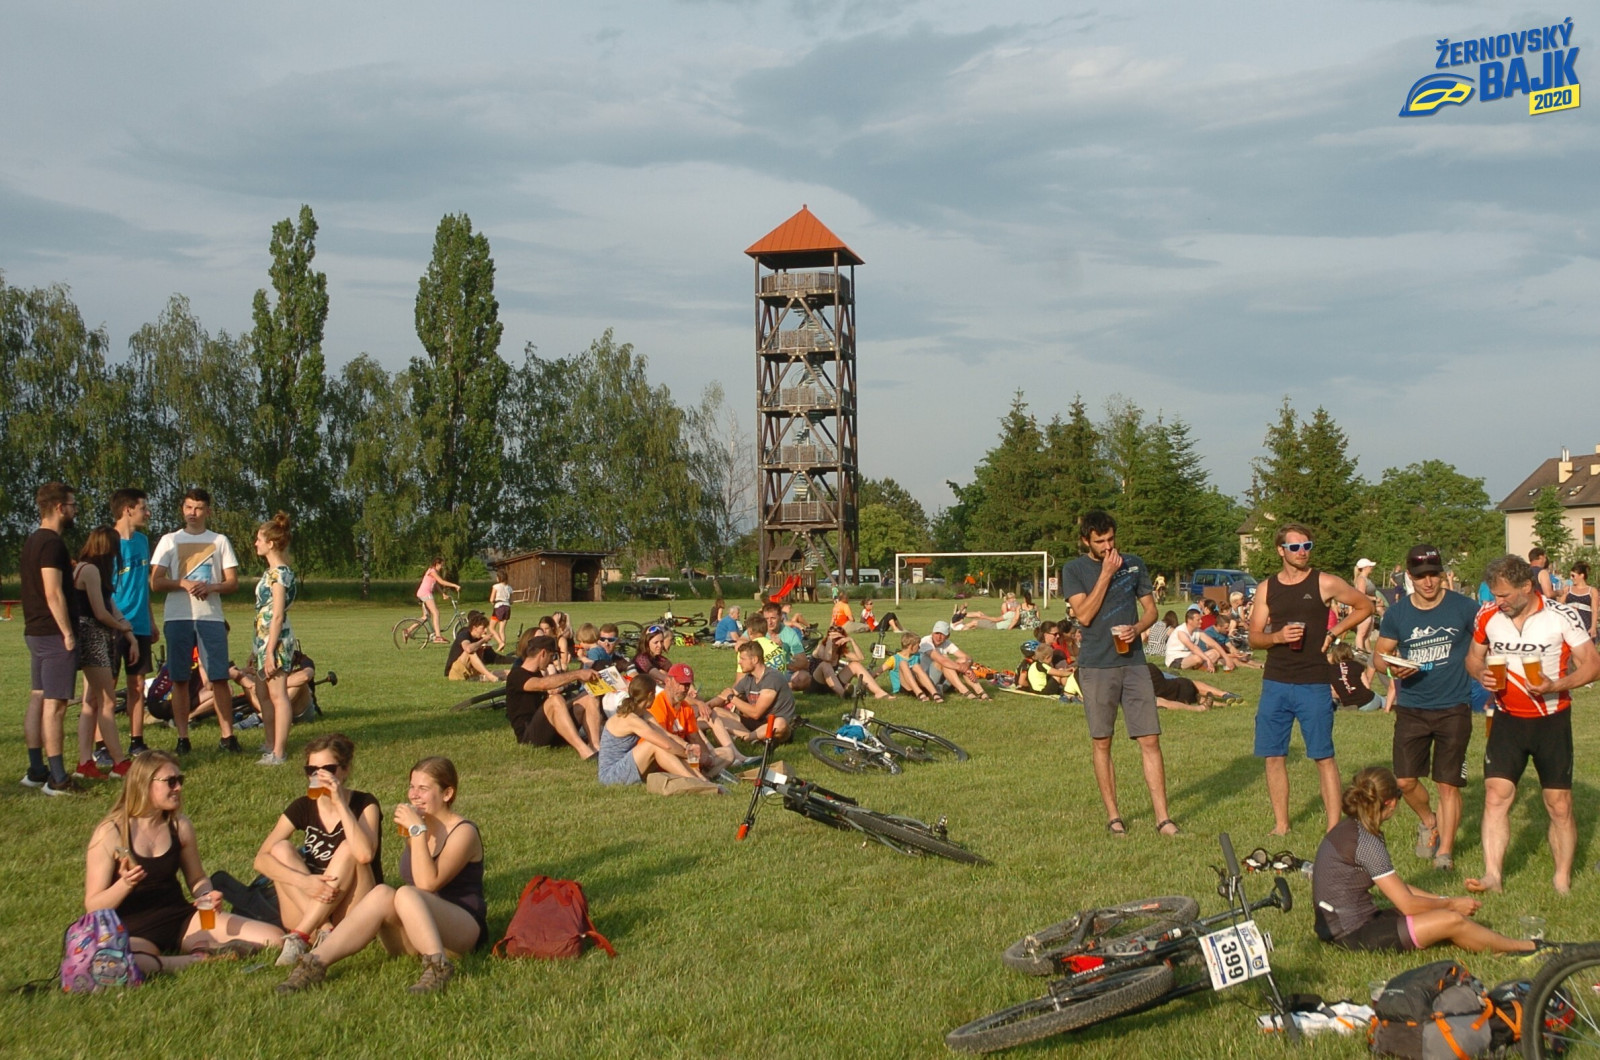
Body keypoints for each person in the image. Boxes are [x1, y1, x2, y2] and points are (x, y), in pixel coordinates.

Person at [279, 756, 485, 994]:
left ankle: (438, 966)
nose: (414, 795)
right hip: (417, 932)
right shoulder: (418, 827)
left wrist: (417, 831)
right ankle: (314, 963)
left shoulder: (463, 832)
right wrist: (417, 831)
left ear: (447, 794)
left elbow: (427, 883)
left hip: (460, 931)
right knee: (382, 893)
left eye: (423, 788)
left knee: (406, 893)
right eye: (412, 786)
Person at [1464, 554, 1600, 896]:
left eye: (1505, 595)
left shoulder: (1561, 616)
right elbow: (1473, 658)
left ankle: (1561, 879)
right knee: (1496, 795)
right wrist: (1480, 674)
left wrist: (1556, 684)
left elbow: (1592, 665)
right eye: (1495, 595)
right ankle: (1493, 875)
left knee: (1559, 804)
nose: (1499, 601)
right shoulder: (1488, 615)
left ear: (1527, 586)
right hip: (1507, 718)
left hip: (1551, 720)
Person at [85, 751, 282, 975]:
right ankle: (200, 958)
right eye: (171, 781)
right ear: (144, 783)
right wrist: (125, 884)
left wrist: (205, 895)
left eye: (180, 780)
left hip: (180, 919)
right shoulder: (111, 832)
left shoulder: (179, 826)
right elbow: (93, 907)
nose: (178, 787)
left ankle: (190, 952)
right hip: (132, 929)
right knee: (120, 962)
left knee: (273, 938)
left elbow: (197, 878)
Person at [1312, 767, 1542, 956]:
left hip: (1341, 927)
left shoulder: (1350, 828)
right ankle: (1526, 947)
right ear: (1391, 803)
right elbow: (1407, 904)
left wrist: (1442, 900)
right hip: (1353, 935)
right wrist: (1452, 905)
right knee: (1452, 920)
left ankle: (1494, 944)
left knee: (1443, 916)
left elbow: (1397, 888)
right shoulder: (1367, 841)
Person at [1246, 522, 1374, 836]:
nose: (1302, 552)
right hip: (1276, 681)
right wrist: (1277, 637)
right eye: (1295, 547)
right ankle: (1281, 825)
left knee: (1323, 756)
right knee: (1274, 756)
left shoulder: (1324, 582)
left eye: (1307, 546)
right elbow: (1254, 637)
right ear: (1281, 551)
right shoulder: (1267, 588)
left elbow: (1365, 605)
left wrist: (1334, 632)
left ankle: (1333, 828)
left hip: (1314, 681)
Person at [1060, 509, 1178, 838]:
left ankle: (1163, 819)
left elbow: (1151, 610)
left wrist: (1137, 628)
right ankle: (1114, 817)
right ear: (1086, 541)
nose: (1108, 546)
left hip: (1134, 662)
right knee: (1102, 741)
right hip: (1097, 664)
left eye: (1111, 539)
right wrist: (1106, 574)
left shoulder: (1134, 563)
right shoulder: (1074, 570)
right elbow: (1084, 615)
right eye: (1100, 541)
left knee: (1150, 739)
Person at [1371, 543, 1481, 872]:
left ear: (1443, 574)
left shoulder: (1465, 608)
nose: (1428, 582)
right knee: (1405, 781)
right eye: (1421, 576)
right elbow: (1379, 657)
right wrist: (1393, 667)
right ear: (1409, 577)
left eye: (1434, 574)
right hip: (1412, 706)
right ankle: (1429, 821)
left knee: (1448, 783)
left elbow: (1486, 643)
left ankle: (1445, 852)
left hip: (1454, 705)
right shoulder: (1397, 613)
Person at [253, 733, 383, 966]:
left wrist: (340, 803)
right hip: (309, 905)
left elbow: (365, 854)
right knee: (280, 849)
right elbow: (260, 860)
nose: (319, 776)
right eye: (312, 770)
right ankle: (321, 929)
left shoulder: (364, 803)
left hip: (352, 909)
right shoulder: (302, 806)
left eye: (328, 769)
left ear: (345, 770)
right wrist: (304, 882)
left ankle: (300, 936)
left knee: (349, 848)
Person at [150, 488, 242, 755]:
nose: (193, 513)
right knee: (179, 678)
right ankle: (182, 738)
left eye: (198, 508)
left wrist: (211, 587)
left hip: (210, 617)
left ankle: (228, 737)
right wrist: (183, 583)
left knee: (219, 677)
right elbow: (156, 582)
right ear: (183, 509)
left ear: (208, 511)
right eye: (189, 507)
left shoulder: (220, 541)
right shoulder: (169, 540)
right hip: (177, 617)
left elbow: (232, 582)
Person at [21, 482, 83, 795]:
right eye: (72, 505)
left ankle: (36, 770)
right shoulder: (52, 544)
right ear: (59, 508)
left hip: (35, 631)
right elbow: (53, 592)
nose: (74, 510)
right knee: (56, 705)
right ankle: (57, 778)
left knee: (39, 696)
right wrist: (68, 633)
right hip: (53, 633)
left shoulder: (33, 540)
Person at [71, 527, 137, 779]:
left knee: (91, 702)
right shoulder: (90, 570)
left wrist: (127, 633)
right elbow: (100, 612)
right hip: (93, 638)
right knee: (107, 701)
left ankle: (85, 763)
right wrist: (122, 628)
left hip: (91, 636)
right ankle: (119, 762)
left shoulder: (84, 568)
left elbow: (110, 605)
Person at [110, 488, 158, 758]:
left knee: (137, 685)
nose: (147, 513)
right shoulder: (108, 542)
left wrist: (150, 621)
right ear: (127, 510)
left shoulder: (142, 541)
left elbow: (143, 586)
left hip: (139, 624)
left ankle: (136, 741)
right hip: (114, 624)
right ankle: (102, 745)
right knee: (106, 687)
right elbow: (102, 589)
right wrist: (118, 621)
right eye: (143, 508)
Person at [249, 512, 298, 766]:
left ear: (270, 543)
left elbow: (277, 615)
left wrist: (269, 651)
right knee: (262, 692)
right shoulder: (271, 573)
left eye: (259, 539)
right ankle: (270, 742)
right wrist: (257, 648)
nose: (256, 543)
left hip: (276, 641)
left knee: (278, 695)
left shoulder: (279, 574)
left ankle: (279, 752)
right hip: (264, 639)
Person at [505, 632, 602, 758]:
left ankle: (595, 747)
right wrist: (578, 674)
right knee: (556, 700)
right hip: (529, 736)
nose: (552, 661)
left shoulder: (537, 674)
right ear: (543, 653)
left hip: (549, 729)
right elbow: (541, 684)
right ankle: (584, 751)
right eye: (552, 656)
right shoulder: (517, 674)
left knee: (588, 697)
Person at [598, 676, 706, 785]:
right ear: (650, 695)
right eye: (654, 693)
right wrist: (687, 754)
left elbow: (666, 735)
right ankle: (697, 782)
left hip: (627, 766)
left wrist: (687, 746)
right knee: (654, 745)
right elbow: (666, 745)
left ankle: (704, 781)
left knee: (669, 746)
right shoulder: (630, 719)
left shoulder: (643, 713)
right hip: (611, 775)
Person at [707, 641, 797, 741]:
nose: (739, 662)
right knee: (716, 711)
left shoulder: (772, 678)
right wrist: (706, 706)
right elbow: (725, 696)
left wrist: (731, 698)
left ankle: (747, 738)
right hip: (756, 724)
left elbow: (756, 713)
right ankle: (752, 737)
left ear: (754, 660)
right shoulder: (749, 678)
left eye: (742, 659)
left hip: (773, 725)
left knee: (780, 724)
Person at [809, 626, 893, 699]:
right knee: (825, 664)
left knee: (855, 665)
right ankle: (843, 694)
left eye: (838, 638)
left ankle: (879, 692)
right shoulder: (821, 647)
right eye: (833, 638)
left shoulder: (840, 652)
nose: (835, 641)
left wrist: (852, 640)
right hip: (816, 684)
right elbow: (827, 658)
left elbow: (860, 658)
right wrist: (829, 640)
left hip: (833, 685)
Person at [918, 621, 988, 699]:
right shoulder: (926, 642)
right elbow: (942, 660)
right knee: (945, 661)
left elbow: (968, 658)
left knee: (962, 661)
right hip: (925, 680)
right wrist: (964, 669)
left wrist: (966, 665)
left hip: (941, 678)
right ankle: (965, 691)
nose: (939, 637)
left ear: (947, 636)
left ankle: (981, 692)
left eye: (942, 634)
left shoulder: (946, 643)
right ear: (932, 633)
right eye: (937, 633)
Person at [445, 612, 506, 682]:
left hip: (470, 671)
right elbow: (468, 649)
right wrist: (483, 640)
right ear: (474, 628)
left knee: (506, 672)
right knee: (471, 652)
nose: (485, 631)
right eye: (483, 628)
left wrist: (482, 648)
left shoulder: (478, 639)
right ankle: (490, 677)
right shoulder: (464, 634)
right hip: (455, 671)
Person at [1165, 605, 1228, 672]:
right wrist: (1208, 659)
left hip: (1190, 656)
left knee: (1216, 653)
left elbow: (1214, 644)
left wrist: (1227, 659)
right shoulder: (1181, 632)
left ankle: (1202, 666)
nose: (1201, 621)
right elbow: (1193, 648)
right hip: (1175, 659)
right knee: (1197, 658)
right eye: (1198, 620)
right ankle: (1203, 666)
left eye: (1200, 619)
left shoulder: (1197, 631)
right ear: (1190, 621)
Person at [1329, 642, 1382, 712]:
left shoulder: (1330, 670)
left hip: (1348, 702)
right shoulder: (1357, 665)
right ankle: (1389, 704)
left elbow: (1334, 692)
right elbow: (1367, 686)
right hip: (1367, 701)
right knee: (1380, 698)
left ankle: (1346, 706)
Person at [1352, 558, 1383, 653]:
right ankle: (1360, 652)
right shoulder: (1361, 579)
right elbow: (1361, 594)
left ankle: (1368, 652)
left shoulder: (1366, 579)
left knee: (1367, 634)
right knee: (1361, 633)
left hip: (1369, 609)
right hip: (1363, 609)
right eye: (1370, 566)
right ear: (1365, 568)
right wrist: (1374, 598)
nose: (1371, 568)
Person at [1563, 560, 1598, 642]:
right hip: (1570, 622)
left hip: (1585, 622)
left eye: (1573, 576)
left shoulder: (1592, 591)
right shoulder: (1568, 589)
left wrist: (1593, 627)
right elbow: (1560, 605)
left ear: (1581, 575)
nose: (1571, 578)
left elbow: (1595, 610)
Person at [487, 570, 512, 651]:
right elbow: (511, 601)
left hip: (499, 607)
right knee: (502, 630)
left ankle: (500, 642)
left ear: (499, 578)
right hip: (507, 608)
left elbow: (491, 599)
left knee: (491, 627)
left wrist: (493, 603)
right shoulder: (509, 588)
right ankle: (502, 648)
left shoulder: (496, 587)